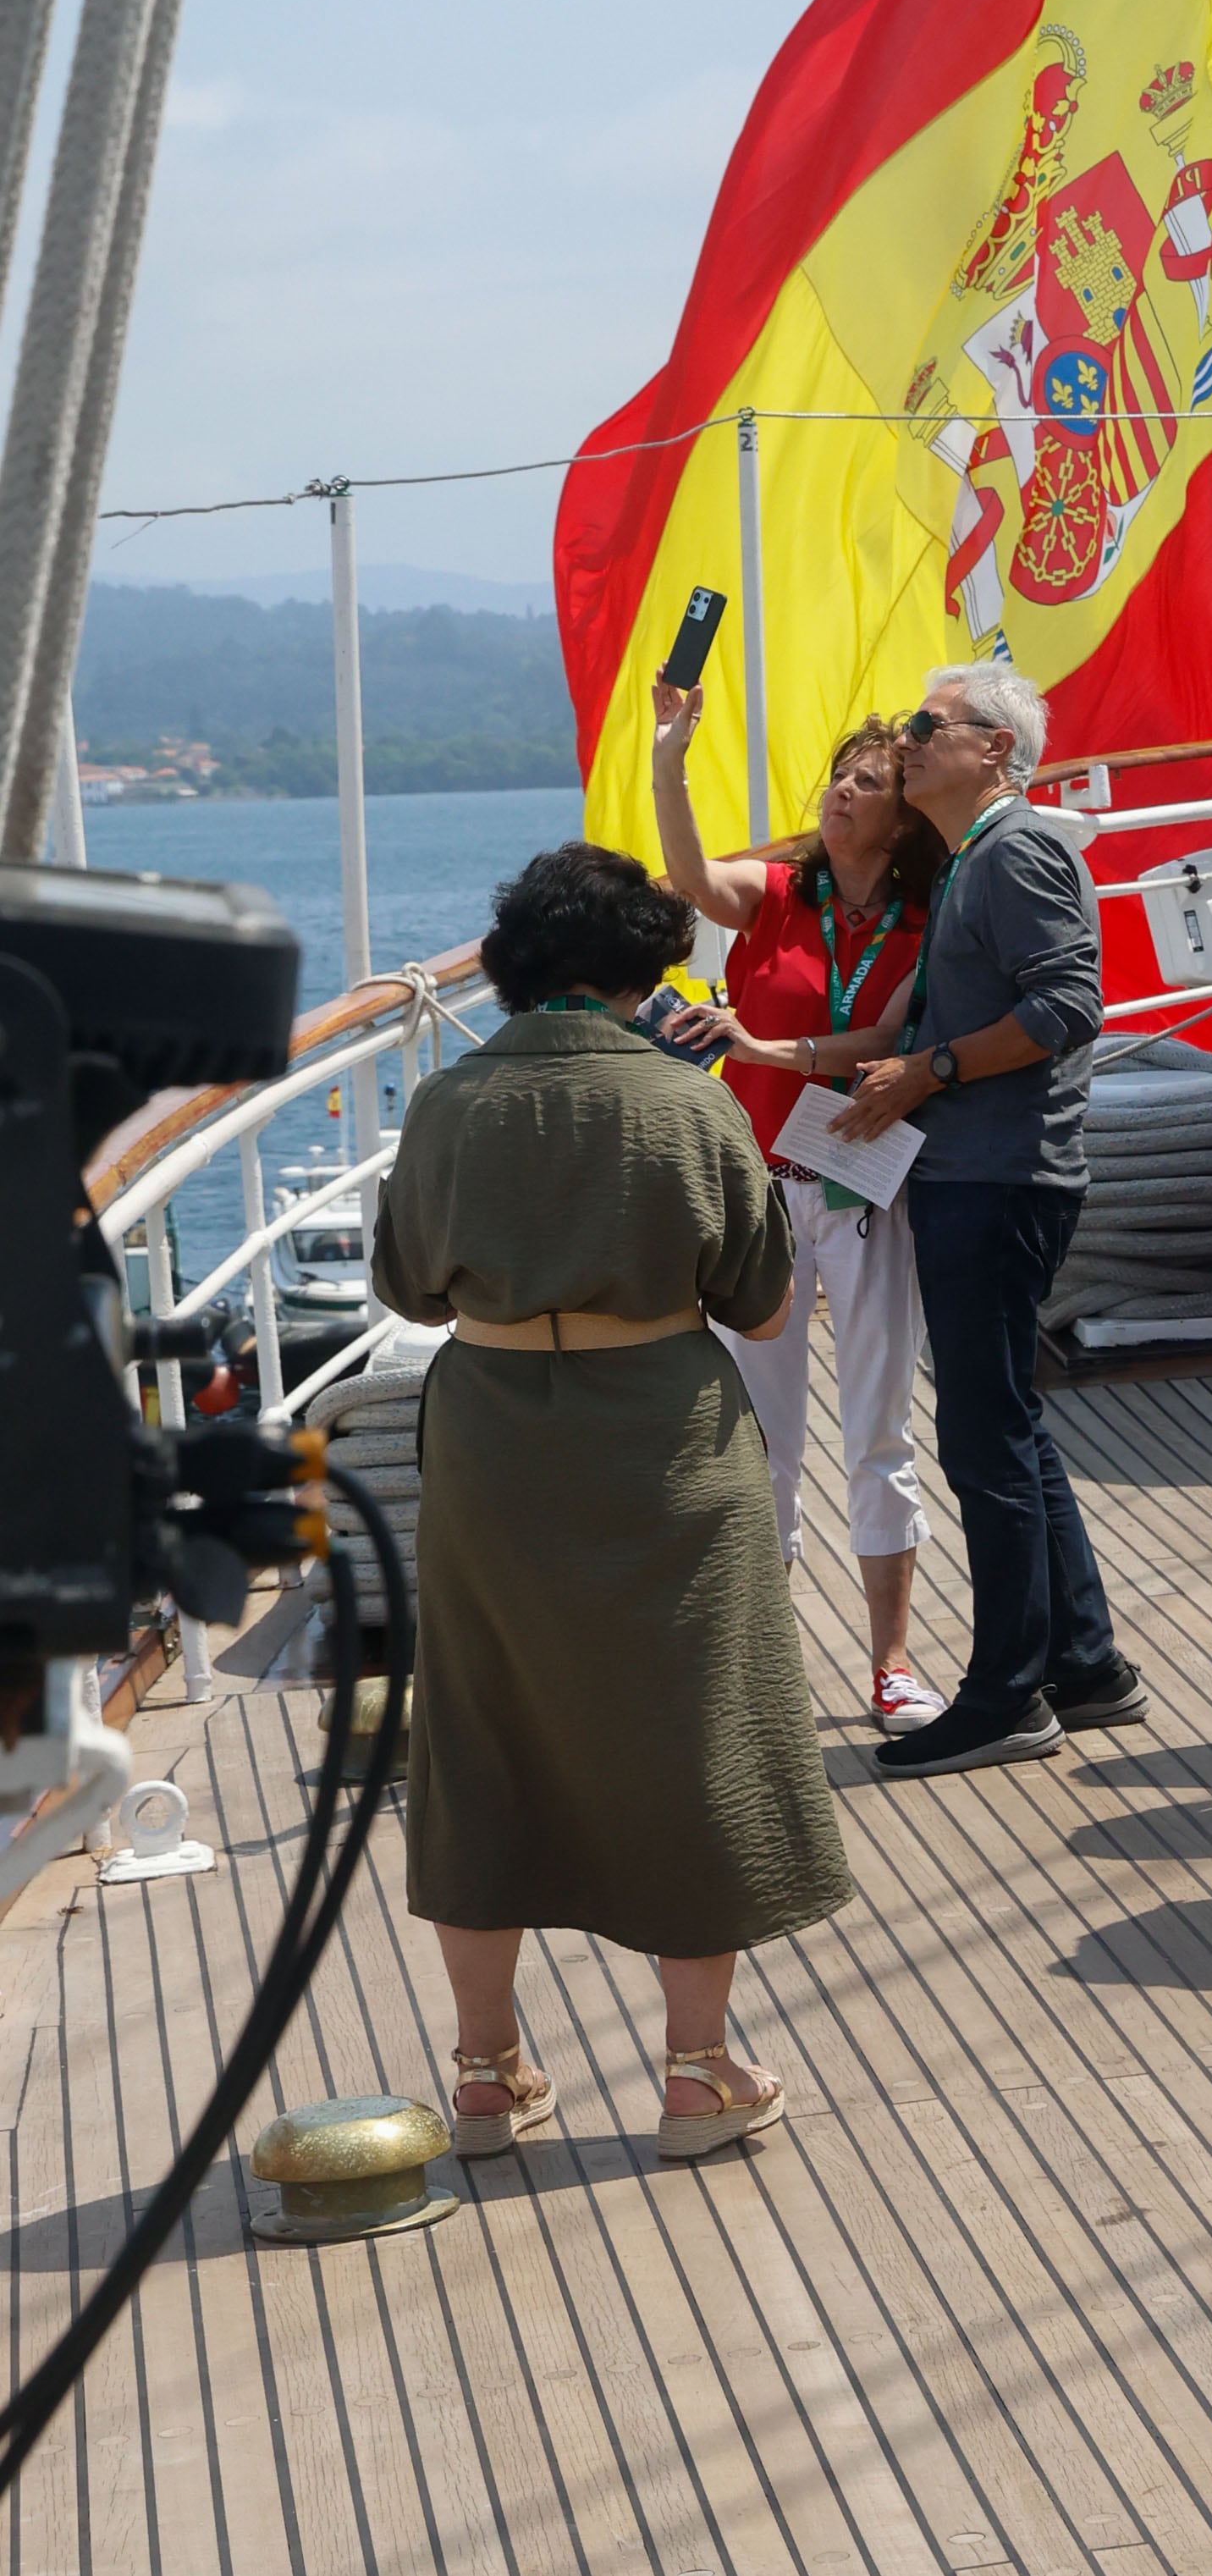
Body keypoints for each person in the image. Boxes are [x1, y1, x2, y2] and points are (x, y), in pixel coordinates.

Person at [369, 839, 850, 2169]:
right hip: (664, 1442)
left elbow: (409, 1290)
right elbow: (758, 1300)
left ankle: (484, 2075)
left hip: (494, 1441)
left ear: (521, 963)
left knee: (483, 1738)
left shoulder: (450, 1103)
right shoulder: (689, 1104)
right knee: (696, 1734)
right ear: (644, 966)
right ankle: (698, 2075)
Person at [838, 661, 1146, 1780]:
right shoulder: (982, 855)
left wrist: (931, 1069)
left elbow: (1067, 1008)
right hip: (984, 1170)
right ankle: (1085, 1662)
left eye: (929, 726)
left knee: (984, 1439)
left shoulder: (1018, 850)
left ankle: (1005, 1694)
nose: (908, 740)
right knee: (1009, 1420)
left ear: (995, 751)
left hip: (1000, 1176)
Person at [651, 687, 944, 1732]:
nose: (842, 795)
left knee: (880, 1431)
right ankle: (764, 1660)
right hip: (763, 1193)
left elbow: (887, 1044)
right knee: (761, 1432)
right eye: (841, 777)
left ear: (905, 818)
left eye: (868, 785)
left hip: (867, 1190)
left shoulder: (926, 919)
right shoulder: (777, 893)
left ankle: (894, 1664)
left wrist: (762, 1048)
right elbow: (689, 875)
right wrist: (669, 758)